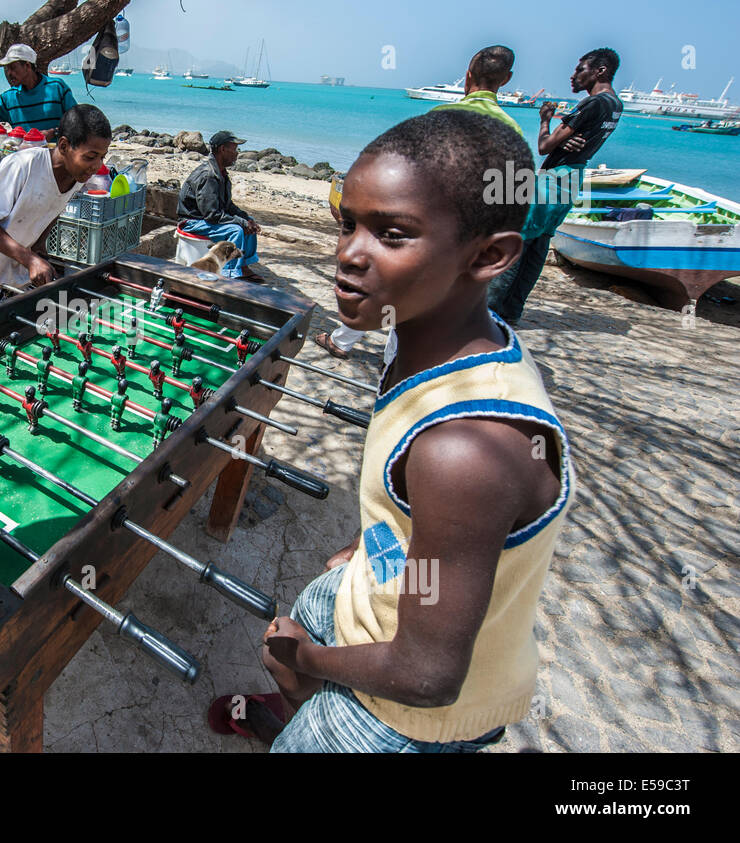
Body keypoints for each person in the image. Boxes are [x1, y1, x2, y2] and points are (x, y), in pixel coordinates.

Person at [214, 110, 572, 752]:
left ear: (489, 256)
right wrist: (368, 541)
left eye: (393, 234)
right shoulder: (428, 346)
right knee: (287, 637)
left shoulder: (465, 449)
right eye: (347, 221)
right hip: (381, 593)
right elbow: (415, 504)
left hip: (405, 713)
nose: (349, 253)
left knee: (287, 647)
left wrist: (310, 662)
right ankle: (298, 710)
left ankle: (309, 715)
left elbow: (427, 675)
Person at [317, 45, 528, 359]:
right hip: (466, 242)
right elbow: (514, 201)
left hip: (422, 229)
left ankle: (353, 347)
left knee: (383, 289)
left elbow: (404, 179)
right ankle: (390, 364)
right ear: (506, 79)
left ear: (468, 75)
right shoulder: (512, 131)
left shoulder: (440, 117)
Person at [489, 47, 622, 324]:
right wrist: (565, 141)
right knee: (538, 244)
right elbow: (580, 140)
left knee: (520, 240)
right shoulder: (615, 105)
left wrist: (545, 122)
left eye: (580, 69)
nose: (574, 75)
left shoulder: (593, 103)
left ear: (600, 71)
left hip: (554, 177)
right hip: (573, 177)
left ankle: (490, 311)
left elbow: (543, 146)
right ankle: (512, 311)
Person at [0, 104, 110, 306]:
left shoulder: (78, 176)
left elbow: (54, 208)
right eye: (91, 157)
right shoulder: (25, 165)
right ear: (64, 146)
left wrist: (39, 246)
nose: (97, 166)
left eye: (102, 157)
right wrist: (30, 259)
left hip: (19, 267)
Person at [176, 130, 264, 282]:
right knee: (236, 230)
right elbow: (212, 215)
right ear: (223, 149)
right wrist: (241, 223)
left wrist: (245, 219)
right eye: (234, 149)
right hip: (192, 221)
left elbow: (227, 205)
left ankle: (242, 265)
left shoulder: (221, 174)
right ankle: (231, 274)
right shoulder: (209, 175)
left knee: (248, 221)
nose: (237, 153)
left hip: (206, 219)